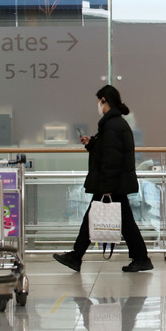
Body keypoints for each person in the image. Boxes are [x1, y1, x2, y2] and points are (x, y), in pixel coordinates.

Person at [54, 85, 153, 273]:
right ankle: (140, 258)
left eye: (98, 101)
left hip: (111, 184)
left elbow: (111, 158)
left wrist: (106, 186)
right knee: (123, 222)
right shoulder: (114, 124)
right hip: (115, 183)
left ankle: (76, 256)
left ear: (104, 100)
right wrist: (92, 143)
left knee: (96, 218)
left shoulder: (112, 125)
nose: (97, 106)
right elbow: (107, 151)